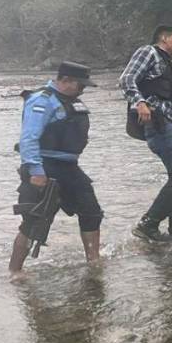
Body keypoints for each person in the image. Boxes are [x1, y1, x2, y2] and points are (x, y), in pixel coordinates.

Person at [9, 62, 102, 272]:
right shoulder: (41, 101)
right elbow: (29, 139)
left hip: (69, 167)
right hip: (44, 166)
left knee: (92, 212)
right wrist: (36, 171)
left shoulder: (71, 102)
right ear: (65, 80)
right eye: (80, 85)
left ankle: (94, 262)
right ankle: (15, 272)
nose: (83, 89)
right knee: (34, 220)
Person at [119, 25, 172, 242]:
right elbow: (126, 79)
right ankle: (149, 223)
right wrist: (139, 102)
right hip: (160, 124)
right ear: (164, 38)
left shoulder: (170, 64)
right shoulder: (148, 52)